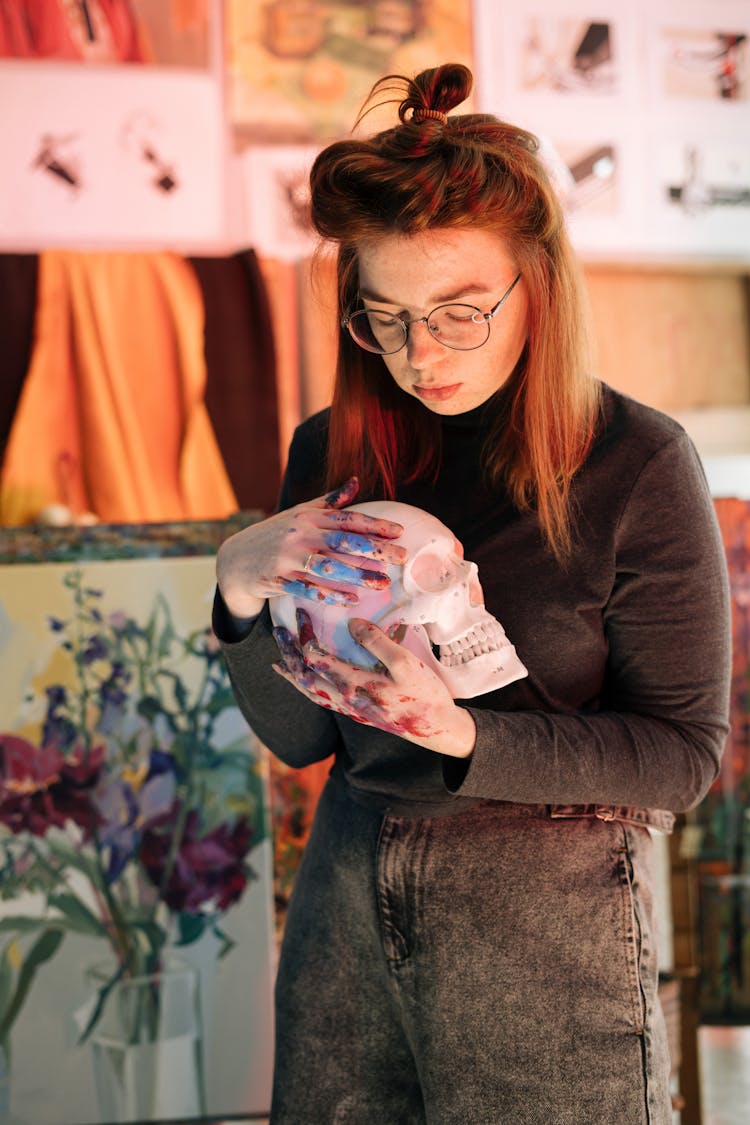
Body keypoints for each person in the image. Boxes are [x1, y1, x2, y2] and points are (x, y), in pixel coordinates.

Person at [214, 62, 731, 1124]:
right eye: (386, 317)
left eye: (458, 312)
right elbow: (305, 740)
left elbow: (681, 759)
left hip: (547, 925)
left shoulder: (637, 465)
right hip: (347, 909)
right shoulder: (334, 451)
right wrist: (236, 599)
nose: (421, 354)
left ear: (534, 284)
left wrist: (463, 736)